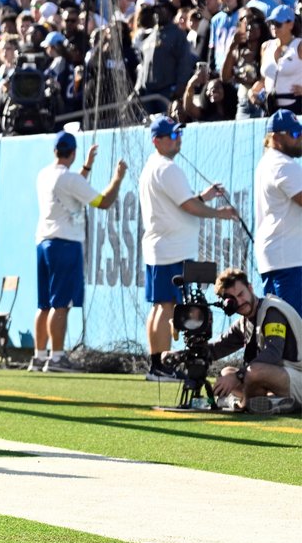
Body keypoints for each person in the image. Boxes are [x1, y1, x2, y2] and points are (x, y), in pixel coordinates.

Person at [138, 115, 238, 382]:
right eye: (172, 136)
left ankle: (157, 364)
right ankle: (160, 366)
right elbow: (188, 207)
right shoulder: (167, 168)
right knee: (166, 307)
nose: (177, 139)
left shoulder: (155, 166)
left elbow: (184, 202)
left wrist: (205, 196)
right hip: (171, 249)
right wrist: (221, 213)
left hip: (163, 246)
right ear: (156, 141)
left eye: (179, 134)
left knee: (161, 306)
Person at [31, 132, 128, 372]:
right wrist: (117, 179)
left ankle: (40, 356)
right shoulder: (70, 179)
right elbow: (102, 202)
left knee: (44, 304)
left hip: (44, 241)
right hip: (65, 243)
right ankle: (57, 358)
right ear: (72, 153)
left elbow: (72, 188)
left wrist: (87, 166)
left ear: (55, 151)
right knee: (60, 303)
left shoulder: (45, 174)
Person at [165, 269, 301, 415]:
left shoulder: (272, 311)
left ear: (250, 288)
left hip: (297, 376)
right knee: (227, 372)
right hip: (281, 378)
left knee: (251, 372)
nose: (240, 301)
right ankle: (273, 402)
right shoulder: (243, 322)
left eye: (241, 294)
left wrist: (238, 376)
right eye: (232, 299)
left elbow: (273, 353)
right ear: (226, 304)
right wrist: (180, 355)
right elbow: (217, 349)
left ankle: (240, 402)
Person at [253, 110, 302, 312]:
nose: (300, 139)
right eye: (295, 135)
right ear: (275, 137)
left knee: (279, 328)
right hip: (288, 260)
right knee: (291, 327)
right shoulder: (282, 164)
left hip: (280, 258)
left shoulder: (270, 162)